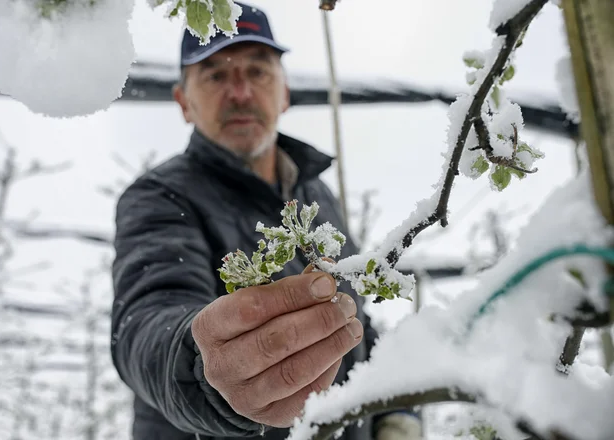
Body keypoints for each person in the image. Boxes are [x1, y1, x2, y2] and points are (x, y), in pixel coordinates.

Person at [110, 3, 423, 440]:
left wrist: (399, 410)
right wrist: (204, 371)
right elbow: (146, 323)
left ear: (285, 93)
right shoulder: (161, 195)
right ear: (184, 101)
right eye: (215, 75)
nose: (239, 92)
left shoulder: (317, 196)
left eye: (258, 71)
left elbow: (356, 318)